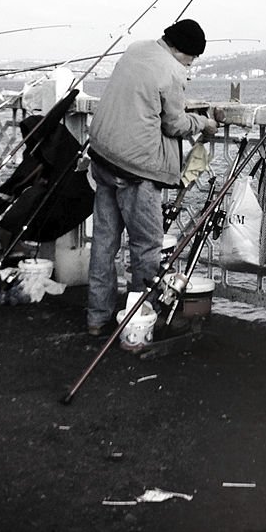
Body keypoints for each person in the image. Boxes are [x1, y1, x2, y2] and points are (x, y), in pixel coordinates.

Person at [85, 19, 218, 336]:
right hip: (135, 169)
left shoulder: (135, 49)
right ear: (182, 50)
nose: (191, 64)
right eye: (192, 58)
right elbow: (173, 125)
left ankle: (96, 318)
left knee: (104, 243)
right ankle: (141, 318)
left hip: (103, 156)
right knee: (147, 248)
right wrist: (203, 123)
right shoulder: (172, 70)